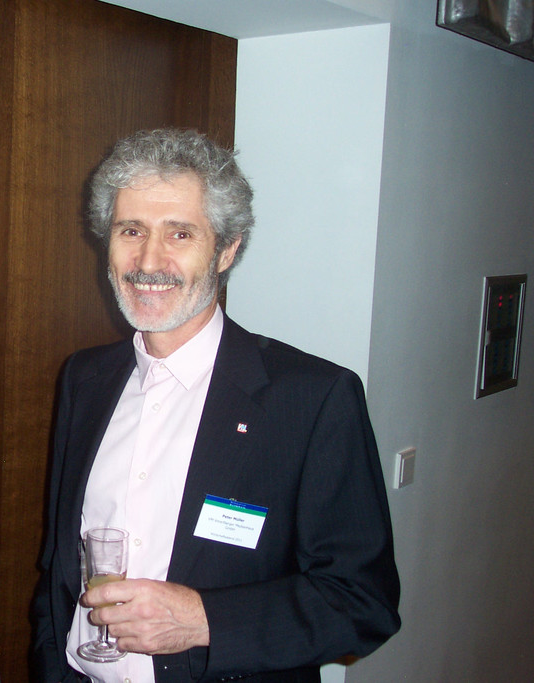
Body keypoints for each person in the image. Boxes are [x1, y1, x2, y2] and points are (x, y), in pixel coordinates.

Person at [31, 128, 400, 682]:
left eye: (179, 233)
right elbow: (57, 569)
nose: (148, 260)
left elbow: (362, 603)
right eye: (131, 230)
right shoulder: (86, 379)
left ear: (227, 250)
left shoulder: (312, 399)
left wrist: (204, 620)